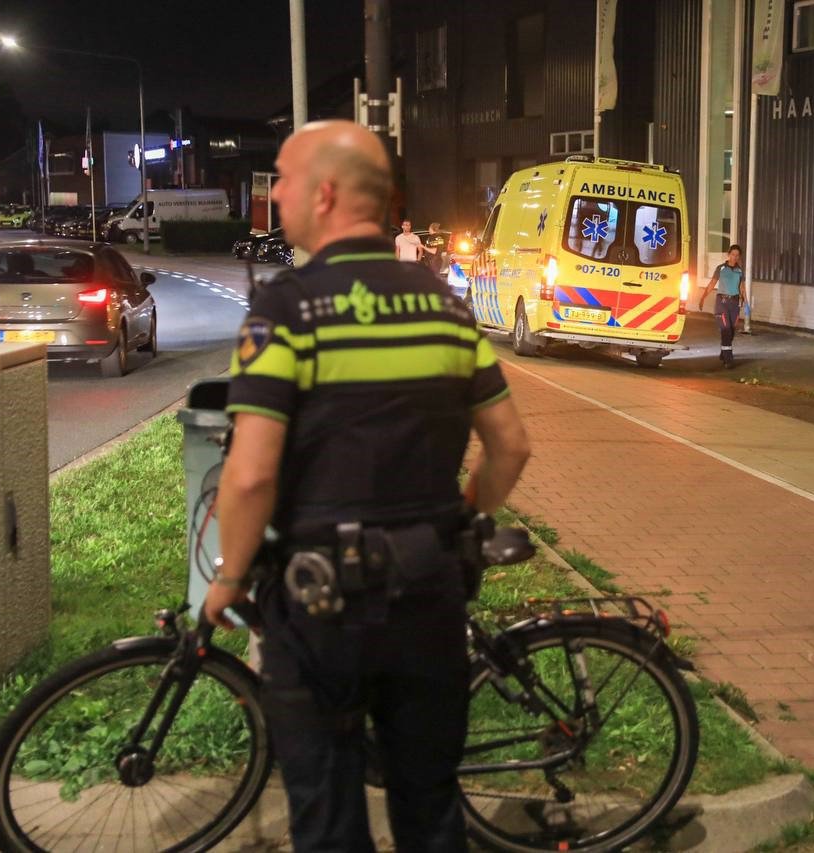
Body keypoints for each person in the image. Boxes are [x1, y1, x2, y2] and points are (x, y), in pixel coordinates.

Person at [202, 120, 531, 851]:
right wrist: (458, 522)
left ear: (323, 193)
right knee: (429, 804)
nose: (275, 192)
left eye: (282, 177)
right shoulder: (445, 306)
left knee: (327, 817)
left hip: (321, 608)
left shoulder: (288, 309)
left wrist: (227, 578)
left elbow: (252, 472)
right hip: (431, 594)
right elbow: (510, 444)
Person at [698, 244, 746, 368]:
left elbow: (742, 287)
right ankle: (728, 359)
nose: (734, 257)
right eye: (733, 254)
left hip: (734, 303)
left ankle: (724, 352)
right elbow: (712, 283)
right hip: (722, 302)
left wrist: (745, 302)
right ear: (728, 255)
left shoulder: (739, 270)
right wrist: (703, 297)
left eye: (737, 255)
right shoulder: (721, 268)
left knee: (731, 331)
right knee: (725, 329)